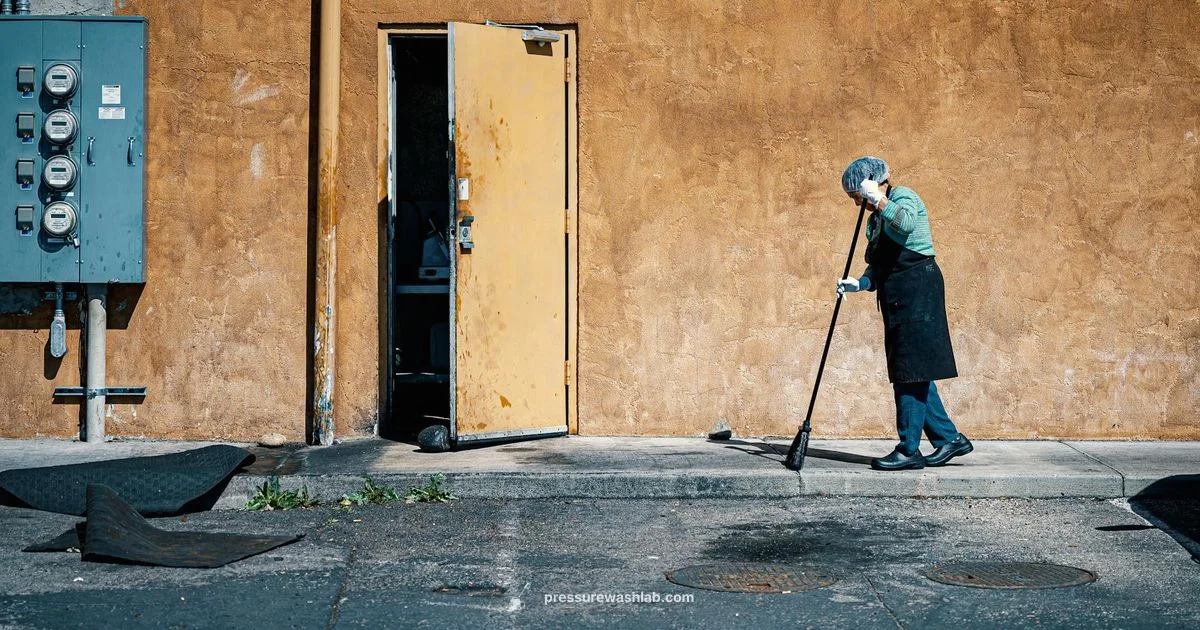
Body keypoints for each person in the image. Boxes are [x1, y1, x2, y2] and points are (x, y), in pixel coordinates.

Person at [836, 156, 973, 471]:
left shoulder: (902, 197)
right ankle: (949, 439)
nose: (858, 203)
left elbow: (907, 223)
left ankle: (909, 449)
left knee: (909, 370)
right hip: (898, 294)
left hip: (918, 289)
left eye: (857, 195)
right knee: (915, 369)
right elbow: (880, 263)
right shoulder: (875, 219)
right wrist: (861, 282)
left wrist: (879, 198)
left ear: (871, 182)